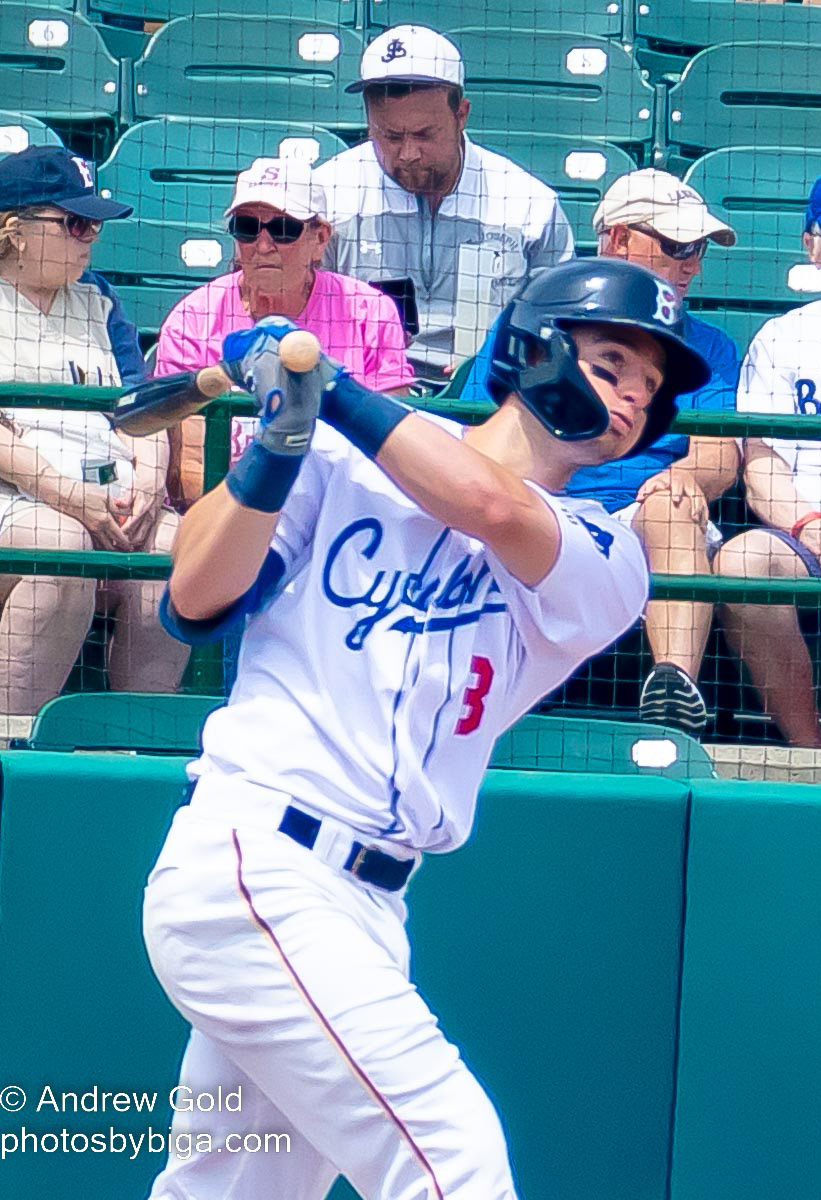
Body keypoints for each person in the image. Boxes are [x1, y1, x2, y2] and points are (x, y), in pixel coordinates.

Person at [141, 258, 709, 1200]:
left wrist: (334, 393)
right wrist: (277, 447)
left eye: (647, 389)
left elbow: (485, 503)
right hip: (256, 860)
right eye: (611, 363)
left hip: (370, 906)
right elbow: (194, 600)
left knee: (231, 1195)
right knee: (453, 1165)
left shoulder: (608, 557)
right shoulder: (332, 462)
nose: (629, 398)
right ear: (535, 348)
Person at [462, 169, 741, 735]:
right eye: (677, 246)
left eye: (699, 250)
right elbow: (481, 431)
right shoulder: (541, 320)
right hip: (538, 501)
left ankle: (672, 696)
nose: (692, 265)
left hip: (642, 515)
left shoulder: (710, 345)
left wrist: (681, 477)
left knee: (670, 505)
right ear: (617, 240)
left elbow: (718, 454)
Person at [0, 145, 188, 727]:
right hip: (20, 496)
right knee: (60, 546)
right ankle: (15, 746)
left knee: (172, 545)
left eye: (95, 226)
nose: (92, 238)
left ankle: (139, 744)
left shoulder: (99, 299)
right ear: (16, 230)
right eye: (76, 223)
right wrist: (68, 496)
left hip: (106, 491)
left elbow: (142, 408)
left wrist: (152, 484)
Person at [312, 24, 574, 384]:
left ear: (461, 115)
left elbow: (558, 327)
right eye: (389, 135)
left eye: (424, 135)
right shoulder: (328, 195)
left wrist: (502, 360)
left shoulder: (528, 205)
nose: (408, 153)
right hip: (361, 394)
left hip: (490, 396)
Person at [155, 157, 415, 509]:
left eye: (283, 229)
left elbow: (394, 449)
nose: (263, 246)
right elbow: (189, 468)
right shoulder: (193, 318)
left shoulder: (371, 312)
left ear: (320, 239)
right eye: (247, 227)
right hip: (230, 514)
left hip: (342, 513)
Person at [716, 162, 821, 747]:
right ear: (813, 247)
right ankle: (814, 756)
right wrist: (817, 528)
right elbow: (762, 468)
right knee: (741, 561)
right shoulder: (783, 338)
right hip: (807, 536)